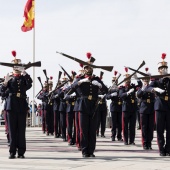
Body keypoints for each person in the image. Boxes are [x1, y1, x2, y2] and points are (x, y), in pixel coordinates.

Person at [71, 53, 108, 157]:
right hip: (83, 106)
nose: (89, 69)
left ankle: (91, 151)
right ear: (84, 68)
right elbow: (72, 87)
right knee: (83, 130)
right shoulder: (79, 78)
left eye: (90, 67)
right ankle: (84, 150)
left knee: (92, 130)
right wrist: (81, 81)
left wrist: (100, 85)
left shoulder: (96, 79)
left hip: (94, 106)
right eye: (87, 67)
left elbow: (106, 90)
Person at [0, 51, 33, 159]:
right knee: (12, 130)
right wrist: (5, 83)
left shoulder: (24, 78)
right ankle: (12, 151)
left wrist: (25, 73)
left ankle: (21, 152)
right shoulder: (9, 77)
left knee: (21, 130)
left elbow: (29, 84)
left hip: (22, 105)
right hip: (11, 105)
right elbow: (1, 91)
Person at [147, 53, 170, 156]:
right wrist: (154, 88)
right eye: (162, 68)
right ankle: (161, 149)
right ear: (159, 70)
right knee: (160, 129)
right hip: (160, 106)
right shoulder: (155, 80)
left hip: (169, 106)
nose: (164, 69)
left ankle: (168, 148)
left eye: (165, 68)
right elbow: (147, 88)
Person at [119, 67, 142, 145]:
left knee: (132, 126)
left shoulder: (133, 86)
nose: (128, 81)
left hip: (133, 108)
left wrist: (137, 78)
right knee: (125, 126)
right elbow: (121, 95)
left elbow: (140, 85)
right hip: (126, 108)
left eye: (129, 80)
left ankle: (132, 140)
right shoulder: (122, 88)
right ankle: (125, 140)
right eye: (127, 80)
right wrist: (128, 93)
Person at [136, 68, 155, 150]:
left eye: (147, 79)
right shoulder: (141, 88)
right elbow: (139, 95)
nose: (146, 81)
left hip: (151, 108)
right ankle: (145, 143)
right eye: (144, 79)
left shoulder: (152, 86)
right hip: (143, 109)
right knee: (144, 127)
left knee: (150, 127)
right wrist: (143, 88)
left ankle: (149, 143)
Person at [106, 71, 123, 141]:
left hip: (120, 106)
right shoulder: (110, 88)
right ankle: (113, 136)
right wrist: (111, 95)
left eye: (115, 80)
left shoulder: (120, 87)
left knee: (119, 123)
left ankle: (119, 136)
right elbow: (107, 97)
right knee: (113, 122)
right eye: (113, 80)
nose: (114, 82)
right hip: (114, 106)